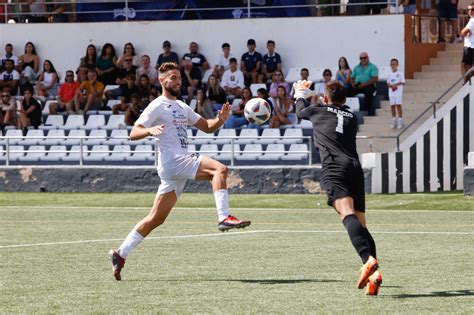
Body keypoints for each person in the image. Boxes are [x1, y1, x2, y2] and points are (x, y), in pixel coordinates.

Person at [108, 62, 251, 281]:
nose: (178, 81)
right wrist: (149, 130)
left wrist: (220, 120)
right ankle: (223, 217)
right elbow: (133, 132)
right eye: (173, 78)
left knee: (156, 218)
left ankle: (120, 254)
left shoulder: (182, 107)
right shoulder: (158, 105)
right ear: (162, 81)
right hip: (174, 160)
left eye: (179, 78)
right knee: (219, 169)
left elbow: (207, 126)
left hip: (173, 168)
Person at [294, 79, 381, 295]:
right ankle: (374, 276)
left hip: (335, 166)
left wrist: (300, 92)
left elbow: (300, 112)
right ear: (345, 99)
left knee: (346, 213)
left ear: (325, 98)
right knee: (361, 224)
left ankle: (368, 260)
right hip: (354, 167)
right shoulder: (352, 117)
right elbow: (333, 110)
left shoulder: (319, 111)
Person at [387, 58, 405, 129]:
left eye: (394, 64)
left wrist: (395, 84)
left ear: (397, 65)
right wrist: (390, 85)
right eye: (392, 64)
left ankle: (400, 120)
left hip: (398, 92)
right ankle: (393, 120)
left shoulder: (400, 74)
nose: (393, 65)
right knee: (392, 106)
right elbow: (388, 82)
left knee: (398, 105)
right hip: (391, 92)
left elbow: (403, 82)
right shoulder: (389, 74)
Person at [461, 3, 474, 82]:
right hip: (471, 45)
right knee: (467, 65)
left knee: (465, 65)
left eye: (472, 9)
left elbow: (463, 32)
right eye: (468, 9)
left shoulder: (472, 21)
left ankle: (467, 81)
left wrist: (463, 31)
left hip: (470, 46)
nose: (470, 11)